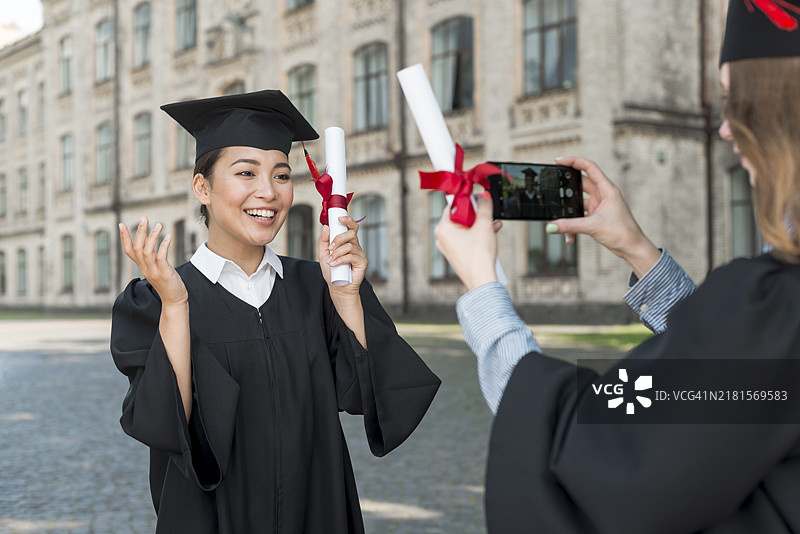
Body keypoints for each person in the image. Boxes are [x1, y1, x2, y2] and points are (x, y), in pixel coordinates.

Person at [435, 1, 800, 532]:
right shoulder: (773, 319)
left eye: (736, 98)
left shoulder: (779, 305)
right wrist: (635, 249)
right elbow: (734, 383)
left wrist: (482, 288)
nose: (725, 128)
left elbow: (597, 456)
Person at [110, 90, 441, 534]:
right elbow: (165, 424)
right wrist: (176, 305)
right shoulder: (156, 300)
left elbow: (377, 395)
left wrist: (345, 298)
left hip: (318, 514)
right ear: (202, 187)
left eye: (281, 175)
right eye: (246, 172)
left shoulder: (315, 287)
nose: (267, 192)